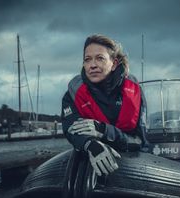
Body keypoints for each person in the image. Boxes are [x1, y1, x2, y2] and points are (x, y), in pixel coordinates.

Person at [61, 34, 147, 176]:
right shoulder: (73, 95)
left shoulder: (133, 92)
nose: (93, 65)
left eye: (100, 58)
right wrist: (90, 144)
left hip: (131, 167)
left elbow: (139, 141)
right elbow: (72, 129)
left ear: (114, 63)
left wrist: (103, 130)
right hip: (90, 168)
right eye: (87, 60)